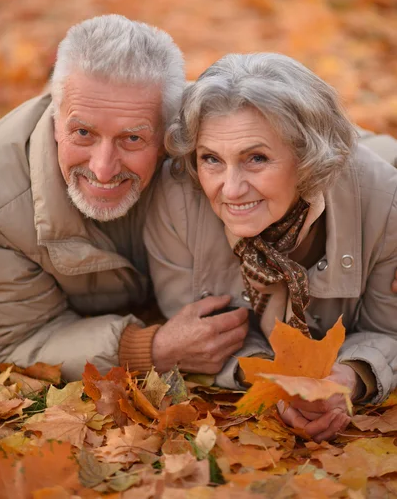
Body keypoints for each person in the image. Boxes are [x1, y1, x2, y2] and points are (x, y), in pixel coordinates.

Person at [144, 52, 397, 442]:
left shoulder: (384, 203)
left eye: (256, 158)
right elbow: (199, 332)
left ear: (307, 157)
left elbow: (390, 331)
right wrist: (273, 381)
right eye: (212, 158)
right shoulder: (177, 198)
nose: (230, 189)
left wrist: (348, 377)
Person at [0, 15, 250, 381]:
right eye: (83, 132)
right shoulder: (3, 203)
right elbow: (18, 338)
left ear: (169, 133)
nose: (102, 169)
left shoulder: (209, 128)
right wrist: (149, 350)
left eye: (132, 139)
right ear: (54, 119)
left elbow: (336, 146)